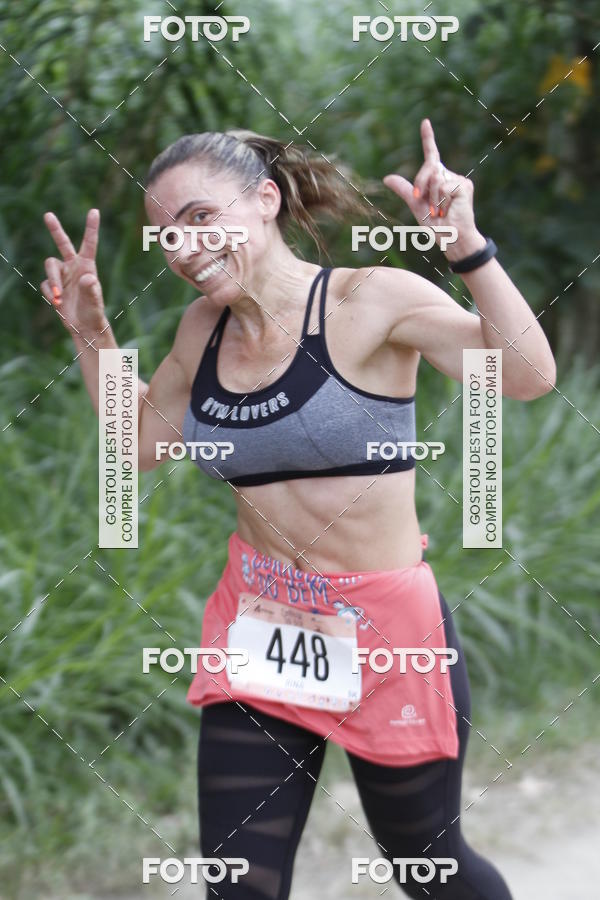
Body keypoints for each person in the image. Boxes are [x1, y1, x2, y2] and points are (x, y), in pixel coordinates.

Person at [41, 118, 555, 899]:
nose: (181, 248)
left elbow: (525, 375)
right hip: (263, 626)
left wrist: (466, 247)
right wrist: (92, 331)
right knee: (238, 885)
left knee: (429, 868)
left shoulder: (371, 300)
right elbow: (141, 442)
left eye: (200, 219)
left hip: (388, 632)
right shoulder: (201, 329)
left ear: (266, 201)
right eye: (165, 235)